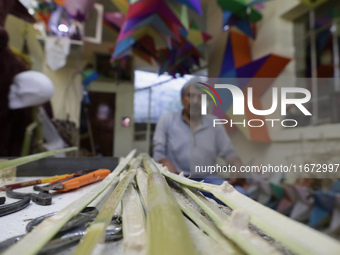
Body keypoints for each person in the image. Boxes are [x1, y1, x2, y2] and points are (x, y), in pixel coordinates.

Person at [153, 79, 244, 187]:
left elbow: (229, 152)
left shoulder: (214, 122)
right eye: (190, 96)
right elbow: (158, 152)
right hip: (177, 177)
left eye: (200, 97)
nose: (195, 101)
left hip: (208, 179)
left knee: (241, 193)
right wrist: (165, 162)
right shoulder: (166, 120)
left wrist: (236, 163)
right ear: (182, 100)